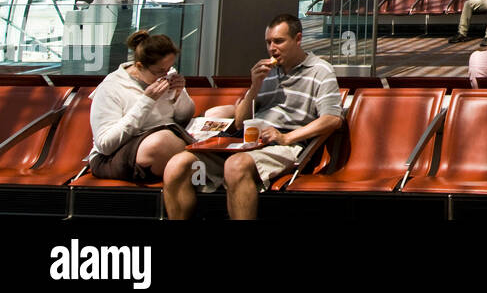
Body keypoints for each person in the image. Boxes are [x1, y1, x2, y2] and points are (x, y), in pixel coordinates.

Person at [162, 14, 342, 220]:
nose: (272, 48)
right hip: (248, 140)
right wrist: (255, 86)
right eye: (268, 42)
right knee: (178, 165)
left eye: (279, 41)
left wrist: (287, 138)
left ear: (298, 39)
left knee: (236, 165)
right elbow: (240, 121)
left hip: (285, 143)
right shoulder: (268, 72)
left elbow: (332, 119)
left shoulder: (320, 71)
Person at [89, 31, 193, 184]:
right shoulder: (111, 88)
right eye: (159, 71)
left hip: (168, 142)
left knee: (219, 114)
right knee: (161, 142)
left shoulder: (166, 75)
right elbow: (105, 145)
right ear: (139, 66)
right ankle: (202, 163)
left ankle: (197, 163)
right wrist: (147, 101)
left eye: (169, 68)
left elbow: (184, 118)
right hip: (115, 156)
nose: (165, 75)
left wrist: (179, 95)